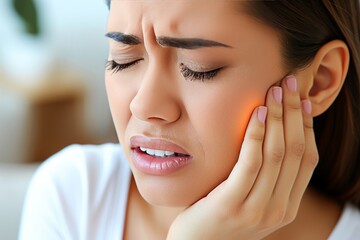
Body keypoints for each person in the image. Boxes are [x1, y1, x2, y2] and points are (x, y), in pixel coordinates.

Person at [19, 0, 360, 239]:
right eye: (123, 60)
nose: (144, 105)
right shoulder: (75, 195)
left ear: (319, 81)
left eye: (200, 68)